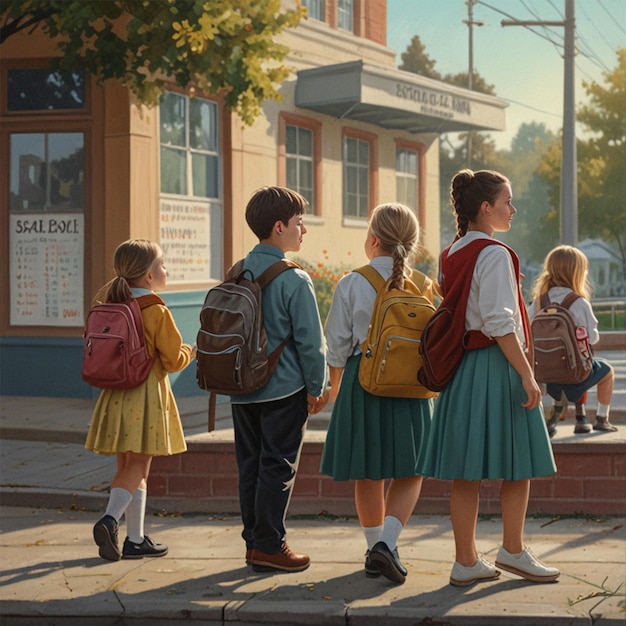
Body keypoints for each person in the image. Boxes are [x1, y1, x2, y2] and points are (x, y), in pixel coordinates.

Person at [418, 169, 560, 587]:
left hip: (463, 369)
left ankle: (466, 561)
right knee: (518, 464)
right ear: (486, 208)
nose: (513, 209)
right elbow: (501, 323)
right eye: (507, 202)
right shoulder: (495, 254)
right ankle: (512, 551)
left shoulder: (453, 252)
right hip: (497, 364)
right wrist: (527, 375)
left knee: (468, 470)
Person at [320, 203, 436, 585]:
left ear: (372, 239)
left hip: (363, 381)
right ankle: (387, 543)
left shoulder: (353, 282)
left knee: (368, 473)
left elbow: (336, 346)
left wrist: (337, 388)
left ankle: (375, 548)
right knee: (412, 469)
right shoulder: (423, 285)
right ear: (413, 244)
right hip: (413, 387)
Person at [232, 186, 327, 573]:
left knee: (251, 467)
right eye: (299, 223)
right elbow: (311, 342)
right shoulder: (294, 278)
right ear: (278, 227)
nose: (303, 230)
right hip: (283, 387)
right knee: (278, 467)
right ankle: (271, 546)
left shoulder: (237, 269)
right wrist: (317, 388)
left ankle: (254, 542)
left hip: (241, 390)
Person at [85, 239, 196, 561]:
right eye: (162, 265)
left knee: (127, 466)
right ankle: (109, 519)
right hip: (145, 396)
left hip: (114, 395)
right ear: (148, 276)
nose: (166, 270)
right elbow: (173, 360)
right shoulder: (155, 310)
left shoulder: (111, 304)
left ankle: (135, 539)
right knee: (139, 464)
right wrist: (191, 350)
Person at [529, 245, 616, 436]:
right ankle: (601, 419)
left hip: (546, 374)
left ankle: (571, 416)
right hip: (576, 375)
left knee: (575, 362)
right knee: (604, 370)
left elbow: (526, 332)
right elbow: (592, 338)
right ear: (577, 273)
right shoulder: (578, 302)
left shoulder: (538, 302)